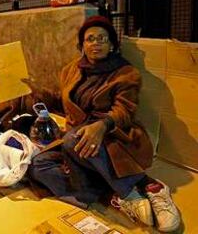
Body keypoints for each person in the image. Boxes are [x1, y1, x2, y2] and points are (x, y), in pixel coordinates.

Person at [26, 16, 180, 233]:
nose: (96, 43)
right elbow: (63, 100)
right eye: (90, 39)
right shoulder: (71, 70)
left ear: (112, 45)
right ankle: (112, 194)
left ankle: (141, 190)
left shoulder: (126, 73)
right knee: (37, 165)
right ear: (82, 45)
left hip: (114, 136)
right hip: (78, 140)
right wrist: (37, 91)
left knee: (74, 139)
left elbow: (125, 111)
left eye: (102, 39)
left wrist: (102, 125)